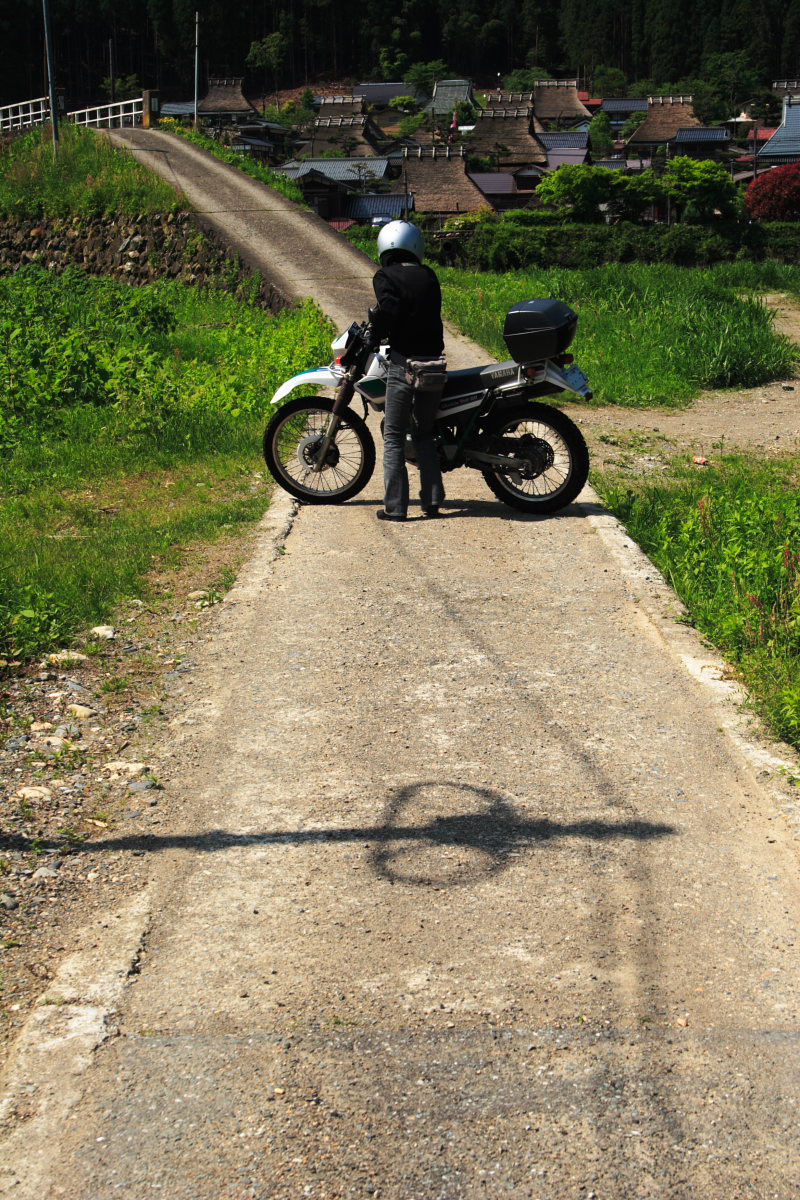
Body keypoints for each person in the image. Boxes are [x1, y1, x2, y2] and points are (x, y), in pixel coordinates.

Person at [367, 220, 446, 522]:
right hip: (434, 367)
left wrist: (376, 335)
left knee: (395, 437)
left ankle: (396, 508)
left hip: (403, 366)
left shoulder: (385, 276)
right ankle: (433, 502)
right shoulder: (429, 276)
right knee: (425, 435)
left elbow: (388, 309)